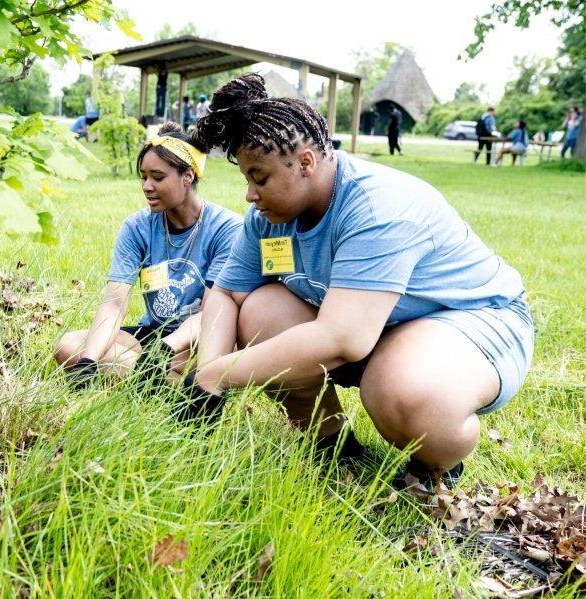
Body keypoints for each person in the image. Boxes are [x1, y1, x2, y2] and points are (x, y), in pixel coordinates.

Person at [186, 74, 533, 488]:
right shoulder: (266, 219)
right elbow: (226, 292)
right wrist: (205, 374)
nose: (250, 195)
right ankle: (331, 445)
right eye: (247, 180)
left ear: (306, 163)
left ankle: (434, 462)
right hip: (375, 324)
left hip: (468, 320)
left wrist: (216, 376)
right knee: (260, 310)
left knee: (403, 388)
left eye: (259, 178)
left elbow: (343, 337)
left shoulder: (377, 206)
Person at [54, 122, 242, 394]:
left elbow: (212, 313)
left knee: (199, 358)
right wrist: (88, 361)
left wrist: (167, 348)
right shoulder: (136, 227)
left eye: (158, 177)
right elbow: (114, 302)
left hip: (197, 340)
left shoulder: (227, 228)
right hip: (152, 337)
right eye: (143, 176)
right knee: (68, 346)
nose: (147, 186)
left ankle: (167, 379)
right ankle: (166, 385)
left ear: (187, 176)